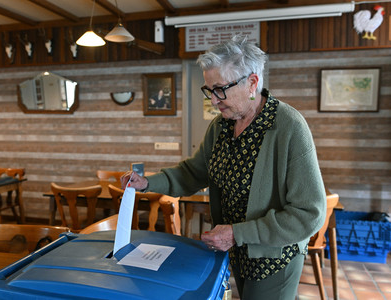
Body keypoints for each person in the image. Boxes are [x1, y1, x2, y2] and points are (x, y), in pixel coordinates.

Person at [122, 35, 326, 299]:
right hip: (236, 250)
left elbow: (309, 214)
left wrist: (238, 233)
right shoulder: (220, 126)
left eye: (220, 89)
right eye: (209, 91)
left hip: (274, 258)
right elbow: (193, 173)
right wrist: (148, 182)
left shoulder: (289, 127)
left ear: (252, 82)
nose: (214, 101)